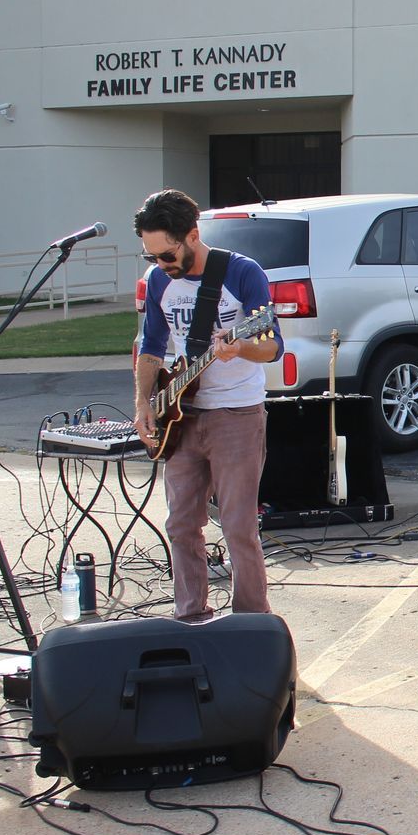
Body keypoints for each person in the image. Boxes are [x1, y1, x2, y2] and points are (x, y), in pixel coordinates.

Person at [132, 189, 282, 622]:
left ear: (193, 235)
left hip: (236, 414)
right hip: (180, 417)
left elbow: (272, 345)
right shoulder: (161, 279)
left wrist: (240, 349)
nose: (160, 265)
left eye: (166, 254)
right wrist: (145, 401)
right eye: (151, 256)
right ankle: (191, 615)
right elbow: (151, 347)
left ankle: (251, 622)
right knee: (180, 525)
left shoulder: (241, 273)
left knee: (237, 527)